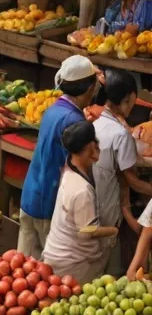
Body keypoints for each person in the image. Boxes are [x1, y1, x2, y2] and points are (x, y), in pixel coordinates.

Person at [18, 56, 101, 259]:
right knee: (48, 270)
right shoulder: (72, 119)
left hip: (31, 194)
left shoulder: (54, 109)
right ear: (90, 88)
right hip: (50, 201)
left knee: (24, 266)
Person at [42, 121, 118, 284]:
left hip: (56, 255)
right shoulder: (82, 190)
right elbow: (86, 231)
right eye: (94, 142)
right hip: (73, 265)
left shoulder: (69, 167)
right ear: (90, 146)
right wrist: (113, 230)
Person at [93, 69, 152, 272]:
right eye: (132, 103)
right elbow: (132, 181)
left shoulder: (97, 123)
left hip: (94, 202)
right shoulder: (120, 135)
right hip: (108, 208)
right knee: (108, 265)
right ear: (125, 100)